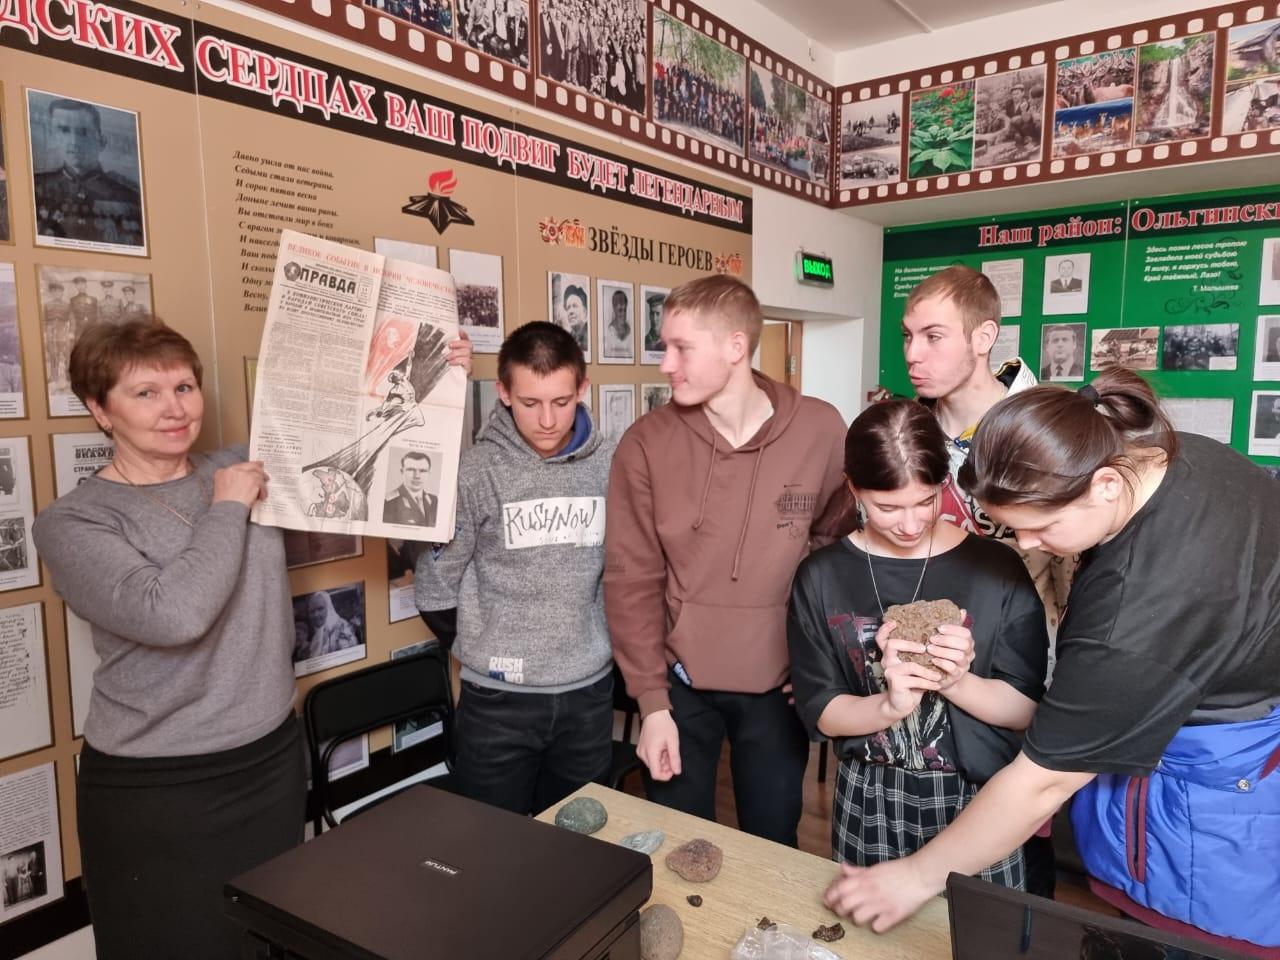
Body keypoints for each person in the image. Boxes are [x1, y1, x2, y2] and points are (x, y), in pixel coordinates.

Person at [29, 317, 472, 960]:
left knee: (263, 941)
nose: (174, 408)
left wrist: (438, 374)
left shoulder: (240, 462)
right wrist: (229, 505)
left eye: (184, 387)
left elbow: (374, 432)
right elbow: (174, 615)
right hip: (158, 786)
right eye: (145, 393)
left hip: (268, 760)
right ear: (100, 409)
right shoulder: (74, 521)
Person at [824, 368, 1280, 953]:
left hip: (1211, 817)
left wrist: (915, 877)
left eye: (1041, 526)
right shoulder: (1178, 455)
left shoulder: (1139, 610)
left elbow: (1044, 782)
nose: (1028, 545)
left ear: (1105, 485)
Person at [605, 274, 847, 846]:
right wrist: (651, 703)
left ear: (736, 346)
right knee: (678, 841)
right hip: (678, 686)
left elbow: (838, 546)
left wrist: (816, 657)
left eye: (681, 348)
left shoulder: (821, 429)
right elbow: (631, 578)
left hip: (778, 688)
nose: (666, 364)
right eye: (665, 347)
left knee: (772, 843)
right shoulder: (645, 443)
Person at [788, 400, 1047, 887]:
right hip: (869, 796)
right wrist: (889, 706)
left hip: (981, 800)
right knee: (870, 929)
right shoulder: (821, 578)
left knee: (979, 929)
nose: (909, 525)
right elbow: (822, 710)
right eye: (887, 507)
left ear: (944, 482)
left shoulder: (997, 569)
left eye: (926, 501)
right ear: (852, 488)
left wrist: (956, 681)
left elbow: (1026, 710)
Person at [416, 322, 615, 815]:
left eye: (561, 401)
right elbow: (436, 588)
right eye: (530, 403)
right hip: (497, 706)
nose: (547, 419)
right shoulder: (475, 472)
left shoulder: (610, 465)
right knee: (493, 846)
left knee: (578, 846)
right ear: (504, 392)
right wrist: (487, 644)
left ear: (582, 389)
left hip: (588, 699)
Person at [33, 98, 143, 246]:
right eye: (64, 130)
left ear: (101, 141)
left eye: (83, 132)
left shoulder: (128, 196)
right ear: (53, 137)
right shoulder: (36, 187)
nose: (73, 141)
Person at [383, 450, 438, 526]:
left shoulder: (434, 501)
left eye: (423, 471)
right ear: (402, 472)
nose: (417, 476)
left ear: (429, 473)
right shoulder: (389, 503)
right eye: (411, 470)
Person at [302, 590, 359, 658]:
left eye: (320, 609)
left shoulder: (341, 628)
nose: (316, 614)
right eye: (312, 611)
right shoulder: (316, 637)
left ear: (328, 608)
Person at [603, 288, 632, 359]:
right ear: (614, 308)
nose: (623, 314)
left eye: (625, 310)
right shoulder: (610, 330)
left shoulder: (629, 329)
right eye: (620, 310)